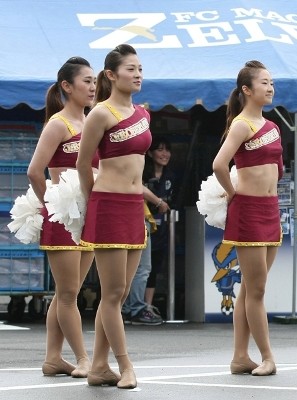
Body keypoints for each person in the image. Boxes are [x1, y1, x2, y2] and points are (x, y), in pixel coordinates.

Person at [77, 43, 151, 389]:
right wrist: (93, 202)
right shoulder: (100, 113)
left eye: (140, 69)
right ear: (111, 74)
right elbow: (83, 163)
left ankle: (98, 366)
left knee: (118, 295)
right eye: (130, 69)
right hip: (108, 204)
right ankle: (125, 365)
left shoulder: (143, 114)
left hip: (134, 207)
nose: (137, 75)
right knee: (113, 292)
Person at [26, 57, 97, 378]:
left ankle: (53, 358)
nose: (93, 87)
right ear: (67, 86)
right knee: (68, 294)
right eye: (86, 81)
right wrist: (53, 205)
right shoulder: (58, 124)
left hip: (88, 215)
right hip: (63, 216)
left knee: (68, 292)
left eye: (95, 81)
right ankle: (83, 358)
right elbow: (34, 171)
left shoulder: (91, 121)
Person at [213, 60, 282, 377]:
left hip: (270, 209)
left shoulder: (273, 126)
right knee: (256, 290)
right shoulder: (241, 124)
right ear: (247, 89)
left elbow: (277, 169)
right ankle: (267, 356)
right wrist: (232, 193)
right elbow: (219, 164)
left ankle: (240, 356)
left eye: (271, 83)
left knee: (250, 289)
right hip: (249, 211)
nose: (270, 88)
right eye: (264, 82)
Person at [142, 136, 175, 317]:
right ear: (150, 153)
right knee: (140, 268)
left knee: (154, 267)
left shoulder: (171, 176)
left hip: (163, 229)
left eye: (167, 150)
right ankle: (134, 305)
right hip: (143, 225)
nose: (164, 154)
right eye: (160, 149)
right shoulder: (142, 173)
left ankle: (147, 305)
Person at [121, 199, 163, 326]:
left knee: (127, 268)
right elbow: (141, 189)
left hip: (122, 216)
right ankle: (137, 309)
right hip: (137, 215)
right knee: (142, 268)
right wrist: (159, 202)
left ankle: (126, 309)